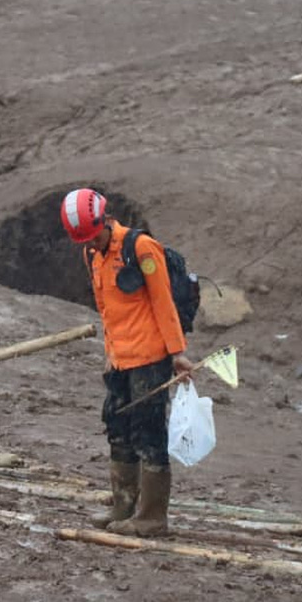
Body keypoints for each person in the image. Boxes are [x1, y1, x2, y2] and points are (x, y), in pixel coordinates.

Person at [60, 188, 193, 536]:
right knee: (117, 428)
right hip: (120, 360)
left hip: (150, 357)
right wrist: (110, 354)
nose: (90, 243)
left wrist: (178, 353)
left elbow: (163, 301)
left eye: (94, 236)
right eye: (84, 240)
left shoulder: (141, 248)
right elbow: (106, 309)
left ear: (105, 219)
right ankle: (123, 506)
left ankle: (151, 517)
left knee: (148, 432)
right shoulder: (93, 254)